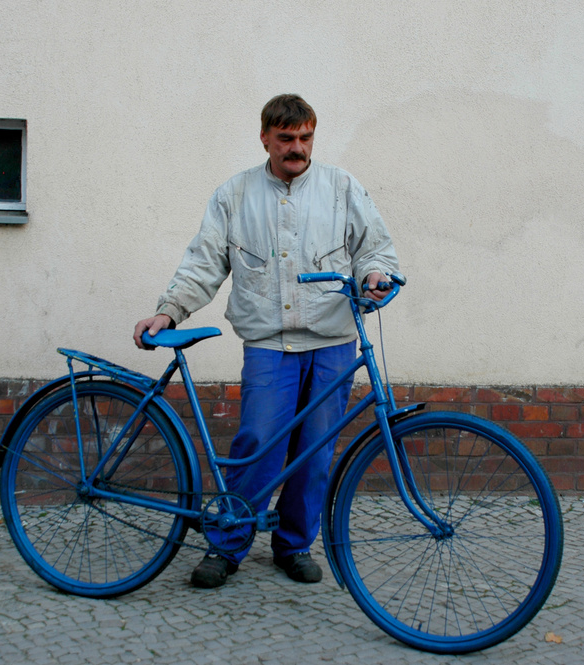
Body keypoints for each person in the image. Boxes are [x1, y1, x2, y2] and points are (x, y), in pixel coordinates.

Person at [133, 94, 399, 589]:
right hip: (268, 345)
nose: (297, 148)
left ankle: (294, 545)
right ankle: (226, 544)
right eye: (286, 139)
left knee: (315, 453)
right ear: (265, 139)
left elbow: (374, 249)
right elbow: (203, 263)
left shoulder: (343, 188)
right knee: (257, 442)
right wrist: (169, 309)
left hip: (331, 342)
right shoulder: (234, 195)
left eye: (305, 138)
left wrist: (376, 276)